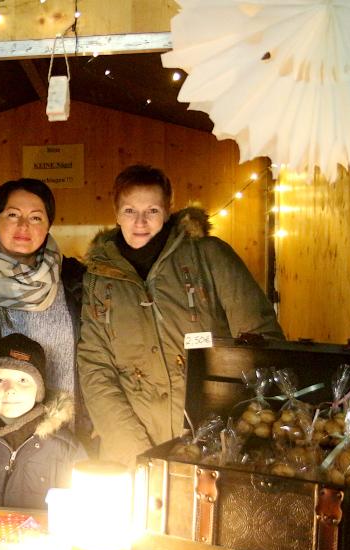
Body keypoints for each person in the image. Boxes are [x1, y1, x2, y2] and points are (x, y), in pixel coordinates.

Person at [77, 164, 284, 468]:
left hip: (214, 442)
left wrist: (240, 430)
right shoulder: (98, 277)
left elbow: (260, 340)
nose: (140, 222)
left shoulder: (208, 256)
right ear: (116, 212)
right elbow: (95, 366)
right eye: (130, 210)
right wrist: (134, 450)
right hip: (131, 447)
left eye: (152, 211)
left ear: (168, 210)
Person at [0, 178, 93, 452]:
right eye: (13, 215)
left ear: (49, 225)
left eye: (35, 217)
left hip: (68, 441)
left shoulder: (77, 281)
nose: (24, 226)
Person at [0, 333, 85, 509]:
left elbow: (83, 508)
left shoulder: (66, 447)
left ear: (39, 391)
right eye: (0, 380)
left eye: (23, 380)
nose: (10, 389)